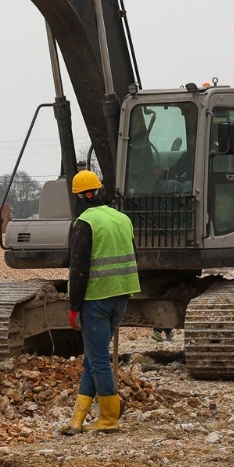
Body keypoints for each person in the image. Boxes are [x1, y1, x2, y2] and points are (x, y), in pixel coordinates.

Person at [64, 170, 141, 433]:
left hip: (95, 299)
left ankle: (109, 418)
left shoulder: (85, 223)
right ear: (98, 191)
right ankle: (77, 420)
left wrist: (74, 307)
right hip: (121, 297)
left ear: (78, 198)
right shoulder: (122, 219)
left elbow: (78, 269)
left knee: (97, 359)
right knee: (92, 357)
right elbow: (134, 256)